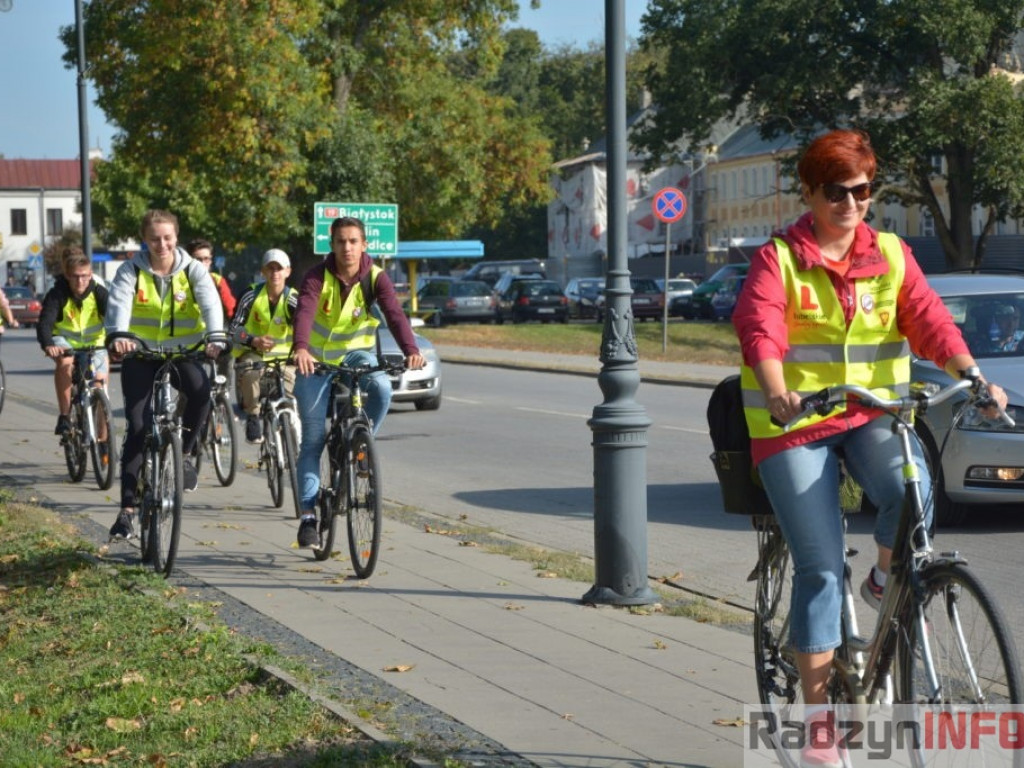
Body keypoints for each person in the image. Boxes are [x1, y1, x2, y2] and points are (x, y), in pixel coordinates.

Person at [732, 129, 1007, 768]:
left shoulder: (889, 252)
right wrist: (776, 390)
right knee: (823, 566)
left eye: (861, 190)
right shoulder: (780, 259)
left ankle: (886, 581)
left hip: (871, 413)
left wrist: (970, 373)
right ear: (808, 191)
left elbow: (929, 318)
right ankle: (821, 726)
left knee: (914, 491)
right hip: (795, 426)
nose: (851, 203)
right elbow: (759, 326)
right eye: (836, 191)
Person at [291, 216, 426, 549]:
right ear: (332, 245)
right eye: (340, 241)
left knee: (380, 387)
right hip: (317, 360)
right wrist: (301, 348)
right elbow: (306, 310)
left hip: (356, 356)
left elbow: (394, 313)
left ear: (364, 245)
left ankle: (361, 446)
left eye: (353, 241)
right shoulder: (316, 276)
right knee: (312, 439)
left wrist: (411, 350)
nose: (347, 247)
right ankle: (308, 516)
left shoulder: (376, 277)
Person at [104, 209, 225, 540]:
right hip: (141, 354)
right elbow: (118, 303)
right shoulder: (131, 271)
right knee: (138, 425)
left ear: (176, 237)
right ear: (145, 239)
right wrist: (118, 333)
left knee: (201, 391)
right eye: (155, 238)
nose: (162, 244)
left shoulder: (193, 271)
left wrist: (215, 335)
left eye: (168, 237)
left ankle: (183, 453)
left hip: (184, 350)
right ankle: (127, 511)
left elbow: (211, 303)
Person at [36, 247, 110, 437]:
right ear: (67, 276)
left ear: (91, 274)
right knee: (65, 363)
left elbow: (114, 317)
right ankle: (65, 416)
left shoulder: (99, 293)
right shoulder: (57, 294)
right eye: (76, 276)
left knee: (100, 387)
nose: (80, 281)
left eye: (85, 276)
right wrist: (48, 344)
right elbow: (45, 322)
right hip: (65, 342)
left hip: (95, 344)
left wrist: (118, 339)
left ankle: (103, 444)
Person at [228, 248, 298, 443]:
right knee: (250, 372)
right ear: (263, 272)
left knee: (290, 390)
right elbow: (233, 329)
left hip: (284, 359)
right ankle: (252, 416)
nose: (275, 273)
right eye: (271, 269)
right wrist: (253, 340)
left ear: (287, 272)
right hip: (253, 354)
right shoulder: (250, 295)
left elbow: (305, 330)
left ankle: (290, 428)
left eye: (279, 269)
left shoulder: (293, 299)